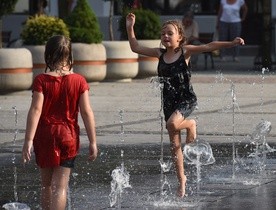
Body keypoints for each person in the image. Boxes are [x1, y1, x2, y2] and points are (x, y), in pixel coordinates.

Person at [126, 12, 244, 198]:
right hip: (169, 102)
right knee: (175, 146)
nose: (165, 36)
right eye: (163, 33)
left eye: (170, 33)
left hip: (185, 99)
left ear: (179, 37)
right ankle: (182, 181)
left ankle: (191, 124)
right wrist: (130, 26)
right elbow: (135, 47)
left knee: (173, 124)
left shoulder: (185, 51)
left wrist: (231, 43)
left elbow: (208, 46)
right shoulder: (160, 53)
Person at [22, 35, 98, 210]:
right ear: (70, 55)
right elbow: (87, 112)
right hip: (68, 137)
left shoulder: (41, 80)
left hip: (45, 136)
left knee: (46, 185)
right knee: (60, 187)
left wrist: (28, 140)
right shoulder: (79, 81)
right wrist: (93, 141)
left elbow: (36, 110)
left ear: (48, 54)